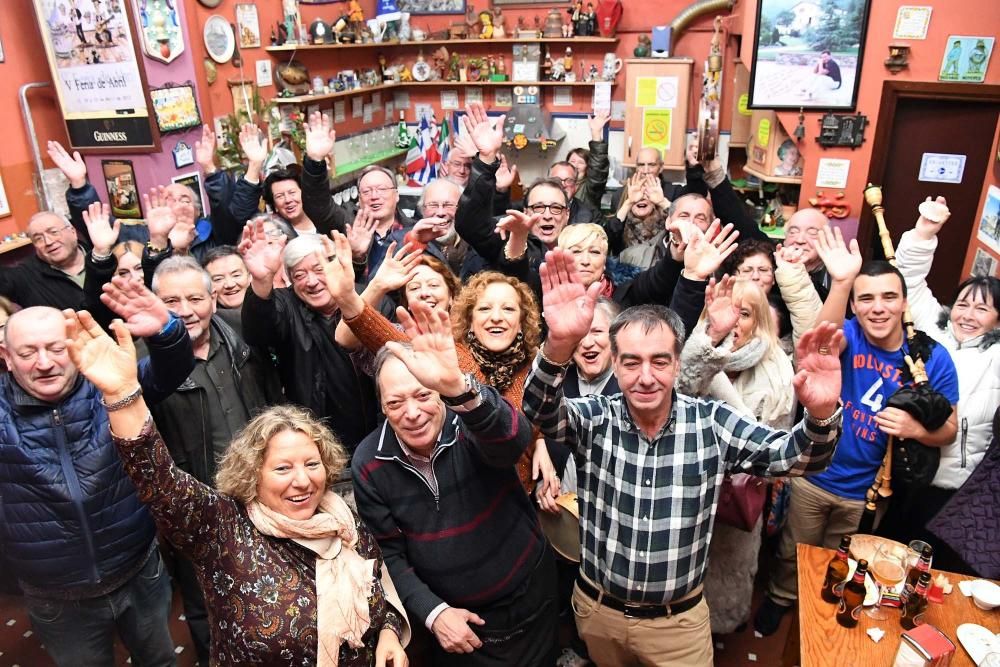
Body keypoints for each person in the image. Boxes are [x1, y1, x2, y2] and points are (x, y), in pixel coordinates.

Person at [522, 248, 845, 666]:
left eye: (659, 361)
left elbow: (796, 459)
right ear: (616, 367)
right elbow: (538, 409)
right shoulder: (595, 417)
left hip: (677, 626)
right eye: (632, 362)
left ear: (677, 365)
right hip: (597, 612)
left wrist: (819, 415)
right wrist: (560, 342)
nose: (645, 376)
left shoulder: (711, 422)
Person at [62, 308, 410, 666]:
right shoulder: (222, 527)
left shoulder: (343, 520)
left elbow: (380, 595)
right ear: (252, 474)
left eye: (311, 464)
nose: (303, 480)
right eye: (282, 468)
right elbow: (157, 478)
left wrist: (387, 636)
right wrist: (124, 395)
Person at [755, 227, 960, 636]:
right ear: (854, 305)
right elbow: (819, 346)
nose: (878, 308)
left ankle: (821, 622)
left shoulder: (932, 358)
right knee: (794, 550)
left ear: (904, 302)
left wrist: (917, 428)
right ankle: (780, 598)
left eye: (888, 297)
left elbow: (950, 429)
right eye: (865, 298)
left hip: (870, 492)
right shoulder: (846, 335)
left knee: (842, 563)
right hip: (816, 475)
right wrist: (842, 281)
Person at [351, 298, 556, 666]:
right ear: (380, 406)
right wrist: (433, 612)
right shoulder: (369, 462)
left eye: (423, 395)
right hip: (457, 628)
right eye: (395, 403)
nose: (412, 413)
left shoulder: (470, 421)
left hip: (529, 601)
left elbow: (514, 440)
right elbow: (388, 554)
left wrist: (459, 388)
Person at [0, 293, 194, 667]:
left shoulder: (108, 384)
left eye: (56, 348)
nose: (44, 363)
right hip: (56, 596)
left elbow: (170, 370)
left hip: (137, 569)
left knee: (160, 660)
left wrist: (166, 331)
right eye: (27, 353)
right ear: (7, 358)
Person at [146, 255, 280, 661]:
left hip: (264, 493)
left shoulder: (240, 332)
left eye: (195, 298)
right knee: (207, 602)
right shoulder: (143, 362)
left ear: (213, 297)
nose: (185, 311)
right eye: (171, 301)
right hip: (199, 507)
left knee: (276, 585)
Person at [885, 196, 1000, 569]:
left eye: (982, 309)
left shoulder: (996, 357)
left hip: (957, 485)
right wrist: (924, 231)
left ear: (997, 321)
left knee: (932, 569)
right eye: (963, 305)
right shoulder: (933, 329)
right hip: (908, 469)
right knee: (889, 552)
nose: (968, 315)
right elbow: (909, 280)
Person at [676, 278, 795, 634]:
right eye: (727, 311)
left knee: (726, 573)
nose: (734, 321)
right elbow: (675, 405)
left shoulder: (777, 370)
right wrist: (709, 359)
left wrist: (717, 378)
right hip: (686, 488)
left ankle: (718, 630)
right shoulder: (693, 353)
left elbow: (765, 447)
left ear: (759, 320)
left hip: (736, 498)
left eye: (744, 313)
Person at [239, 221, 378, 451]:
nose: (311, 282)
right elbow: (258, 331)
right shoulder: (286, 304)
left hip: (376, 433)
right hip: (314, 441)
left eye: (318, 270)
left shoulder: (369, 299)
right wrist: (262, 281)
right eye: (300, 275)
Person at [0, 211, 87, 310]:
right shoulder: (25, 276)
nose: (48, 242)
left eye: (54, 232)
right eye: (38, 239)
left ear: (73, 232)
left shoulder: (99, 254)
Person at [203, 245, 252, 310]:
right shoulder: (205, 318)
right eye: (218, 279)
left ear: (250, 276)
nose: (230, 284)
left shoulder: (268, 310)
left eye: (236, 275)